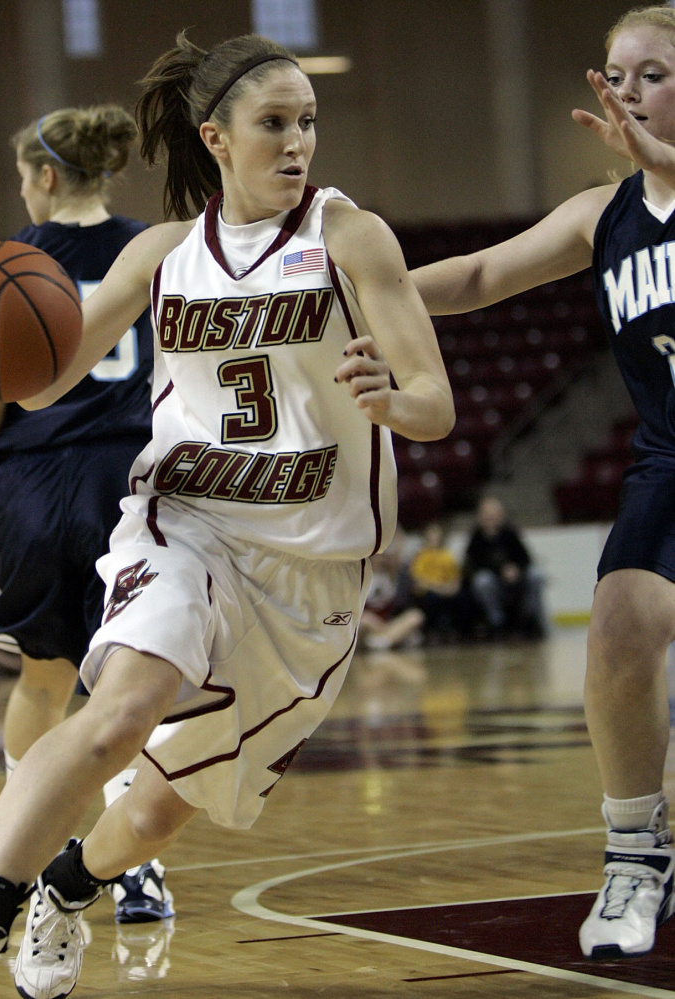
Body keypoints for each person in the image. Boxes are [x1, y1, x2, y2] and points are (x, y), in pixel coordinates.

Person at [0, 30, 454, 999]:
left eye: (308, 123)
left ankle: (68, 890)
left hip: (311, 571)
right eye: (273, 124)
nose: (297, 143)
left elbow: (433, 405)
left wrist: (387, 398)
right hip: (185, 522)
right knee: (115, 715)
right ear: (215, 137)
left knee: (157, 816)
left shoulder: (350, 237)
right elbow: (42, 385)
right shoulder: (163, 256)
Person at [411, 4, 675, 958]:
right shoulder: (602, 214)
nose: (626, 90)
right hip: (670, 455)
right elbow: (481, 275)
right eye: (616, 72)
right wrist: (349, 285)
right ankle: (635, 854)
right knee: (619, 625)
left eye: (651, 72)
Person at [0, 105, 174, 925]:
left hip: (36, 473)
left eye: (23, 179)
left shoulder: (13, 257)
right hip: (124, 471)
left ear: (46, 177)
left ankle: (13, 851)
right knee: (125, 687)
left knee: (42, 675)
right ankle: (135, 868)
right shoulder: (151, 247)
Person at [463, 495, 545, 639]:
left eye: (494, 515)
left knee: (536, 575)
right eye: (487, 515)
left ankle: (530, 619)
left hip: (516, 581)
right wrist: (500, 571)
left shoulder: (510, 533)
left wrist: (515, 569)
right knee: (483, 581)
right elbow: (471, 566)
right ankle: (497, 623)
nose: (491, 519)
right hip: (493, 584)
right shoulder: (476, 538)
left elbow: (525, 558)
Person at [409, 520, 467, 642]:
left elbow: (455, 577)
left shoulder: (447, 556)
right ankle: (431, 630)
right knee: (431, 599)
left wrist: (451, 588)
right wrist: (439, 588)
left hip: (445, 589)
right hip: (429, 591)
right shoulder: (422, 556)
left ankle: (457, 629)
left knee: (461, 598)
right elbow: (419, 580)